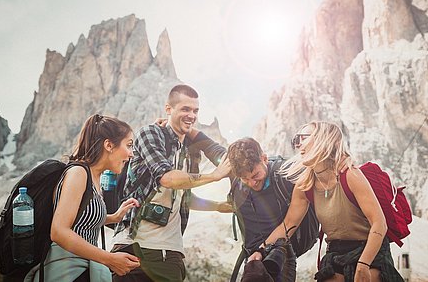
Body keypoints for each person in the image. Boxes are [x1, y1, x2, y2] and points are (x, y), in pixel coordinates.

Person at [253, 121, 404, 282]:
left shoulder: (350, 175)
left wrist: (363, 264)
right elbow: (288, 223)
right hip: (336, 252)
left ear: (323, 139)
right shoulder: (305, 185)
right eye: (296, 140)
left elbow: (379, 223)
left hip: (370, 249)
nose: (298, 145)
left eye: (303, 138)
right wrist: (261, 250)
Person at [111, 84, 232, 282]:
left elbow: (183, 196)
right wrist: (214, 176)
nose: (191, 115)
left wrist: (218, 207)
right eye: (185, 109)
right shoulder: (150, 133)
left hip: (171, 253)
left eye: (195, 111)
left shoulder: (190, 151)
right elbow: (167, 178)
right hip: (136, 248)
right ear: (168, 109)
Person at [25, 114, 142, 281]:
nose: (131, 154)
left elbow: (80, 220)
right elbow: (58, 232)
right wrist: (109, 259)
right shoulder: (79, 173)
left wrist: (114, 217)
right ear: (109, 145)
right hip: (66, 271)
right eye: (129, 145)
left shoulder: (95, 178)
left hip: (83, 268)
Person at [227, 137, 309, 282]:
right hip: (252, 258)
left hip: (280, 255)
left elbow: (290, 222)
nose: (252, 183)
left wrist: (261, 249)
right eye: (245, 179)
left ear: (264, 159)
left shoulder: (286, 175)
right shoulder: (236, 181)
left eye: (256, 175)